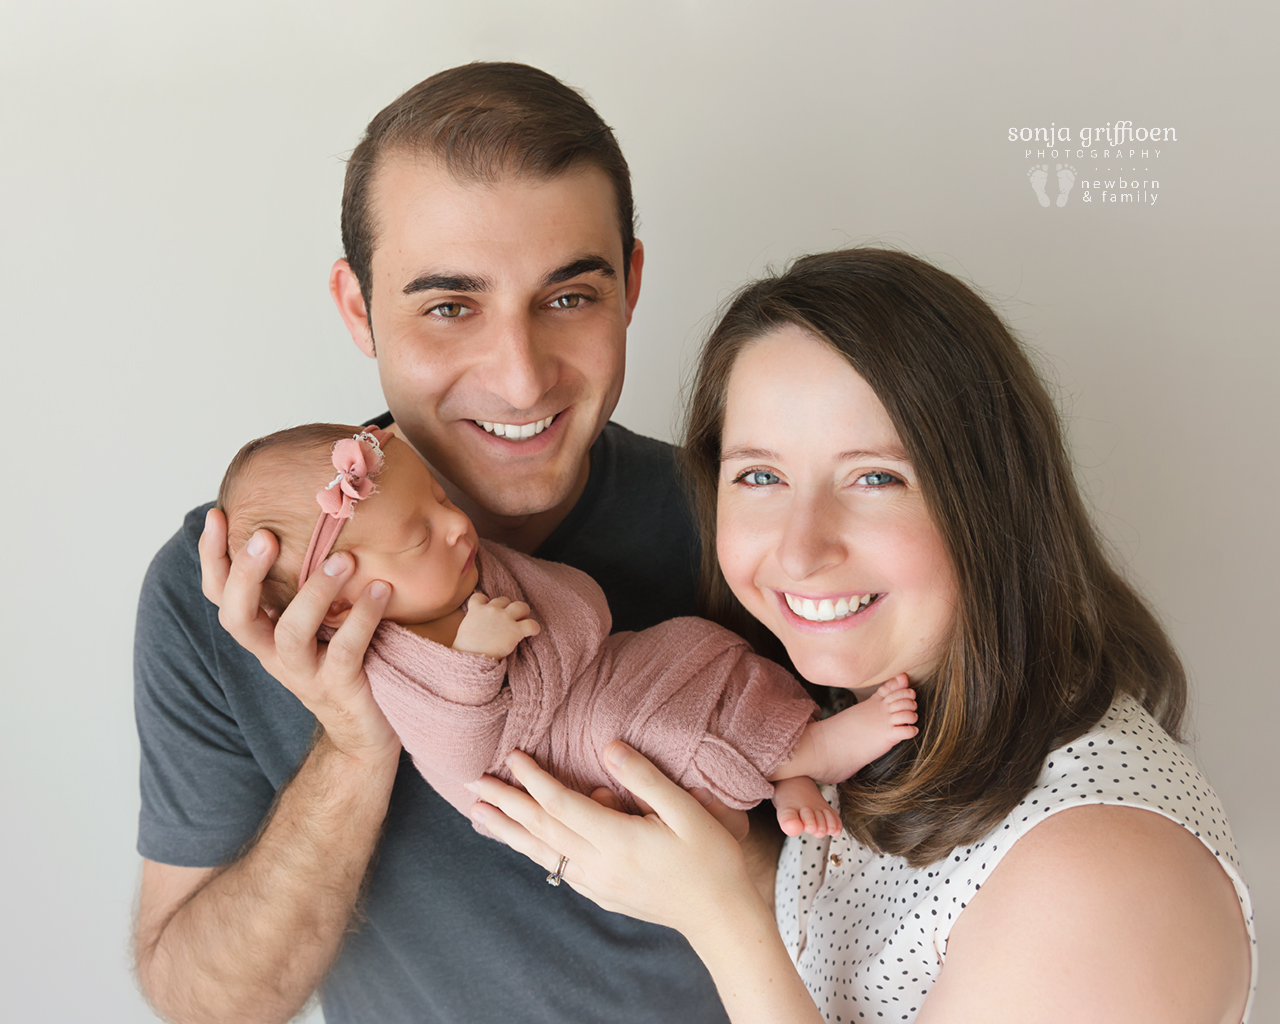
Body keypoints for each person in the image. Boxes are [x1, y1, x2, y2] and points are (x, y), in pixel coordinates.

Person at [466, 248, 1258, 1024]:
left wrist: (717, 917)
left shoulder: (1101, 877)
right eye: (760, 477)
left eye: (875, 478)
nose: (801, 549)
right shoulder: (865, 724)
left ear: (991, 500)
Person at [132, 62, 756, 1024]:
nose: (518, 379)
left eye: (568, 297)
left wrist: (729, 875)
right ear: (356, 308)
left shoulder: (758, 525)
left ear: (630, 286)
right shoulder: (232, 585)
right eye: (449, 306)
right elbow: (208, 1004)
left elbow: (926, 900)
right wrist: (351, 745)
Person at [215, 421, 922, 838]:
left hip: (613, 668)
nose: (458, 524)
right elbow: (461, 765)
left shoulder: (463, 571)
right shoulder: (395, 662)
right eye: (416, 535)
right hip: (580, 740)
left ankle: (785, 767)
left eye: (438, 496)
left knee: (696, 649)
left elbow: (568, 607)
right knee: (657, 730)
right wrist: (474, 660)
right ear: (337, 602)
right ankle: (816, 751)